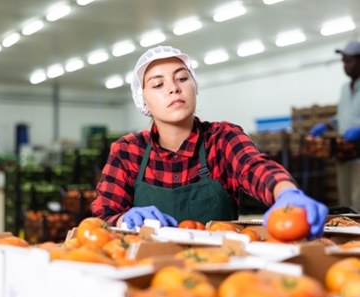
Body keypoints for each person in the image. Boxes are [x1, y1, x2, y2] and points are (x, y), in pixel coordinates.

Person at [91, 45, 328, 239]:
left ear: (195, 86)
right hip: (147, 271)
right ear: (142, 100)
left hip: (219, 267)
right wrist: (124, 220)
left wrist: (286, 194)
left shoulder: (222, 138)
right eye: (158, 84)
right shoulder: (128, 151)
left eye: (182, 78)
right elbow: (102, 218)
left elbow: (255, 167)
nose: (174, 88)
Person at [310, 40, 360, 210]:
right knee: (346, 203)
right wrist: (327, 125)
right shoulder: (345, 88)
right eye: (343, 61)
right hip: (344, 152)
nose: (344, 66)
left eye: (348, 61)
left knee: (359, 200)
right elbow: (341, 116)